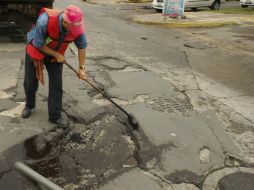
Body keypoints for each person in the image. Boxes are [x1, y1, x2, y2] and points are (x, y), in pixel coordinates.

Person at [22, 5, 87, 128]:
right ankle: (29, 106)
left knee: (57, 86)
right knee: (30, 82)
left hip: (56, 56)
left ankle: (55, 116)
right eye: (73, 28)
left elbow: (82, 46)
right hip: (36, 49)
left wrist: (82, 68)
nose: (76, 31)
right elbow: (39, 44)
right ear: (65, 22)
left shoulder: (77, 27)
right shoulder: (44, 21)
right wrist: (56, 54)